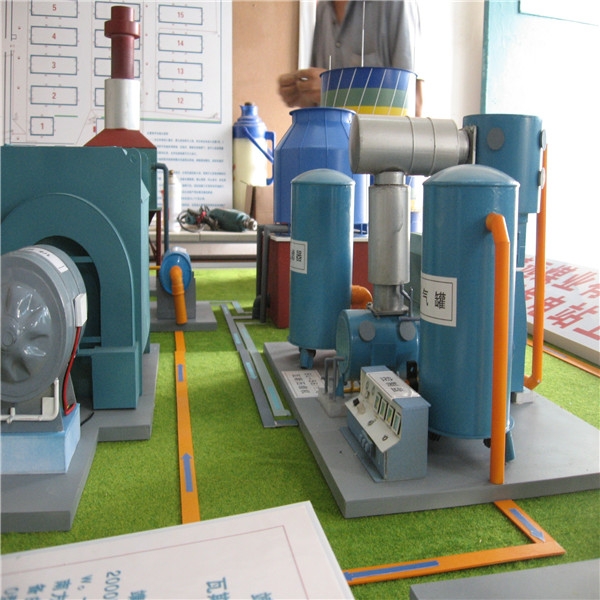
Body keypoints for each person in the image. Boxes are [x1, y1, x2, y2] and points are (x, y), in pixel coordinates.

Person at [278, 0, 423, 116]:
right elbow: (321, 98)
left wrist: (332, 91)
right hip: (335, 143)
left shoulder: (397, 3)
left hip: (379, 145)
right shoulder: (323, 8)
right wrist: (305, 96)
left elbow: (412, 105)